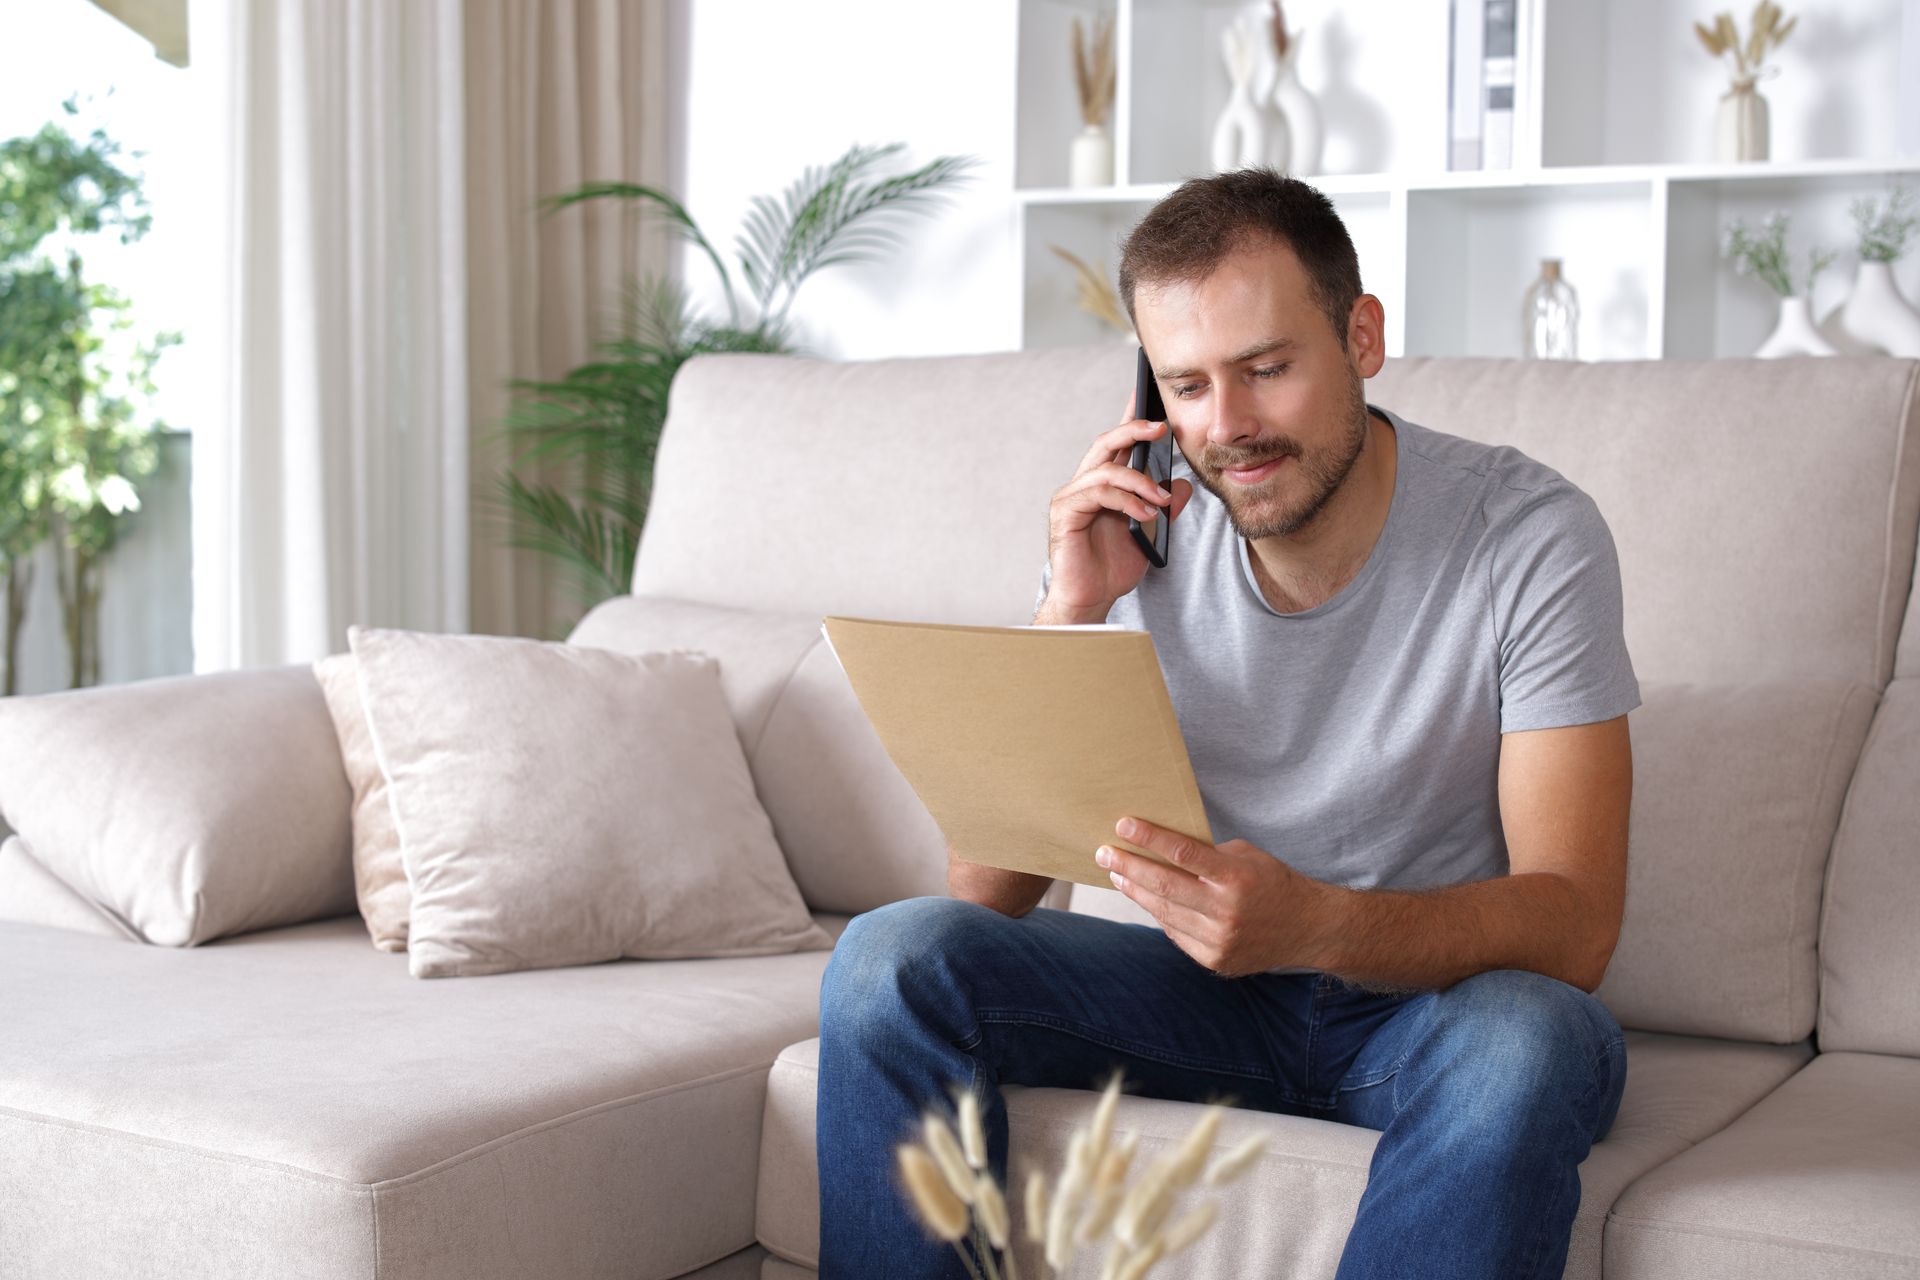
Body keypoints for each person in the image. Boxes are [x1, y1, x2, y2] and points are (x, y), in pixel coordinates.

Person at [815, 168, 1639, 1279]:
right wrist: (1072, 609)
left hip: (1427, 1017)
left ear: (1362, 335)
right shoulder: (1142, 532)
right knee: (887, 960)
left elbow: (1577, 923)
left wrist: (1317, 924)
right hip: (1192, 1000)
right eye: (1187, 385)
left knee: (1529, 1041)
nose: (1227, 426)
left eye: (1266, 369)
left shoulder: (1529, 537)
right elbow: (983, 898)